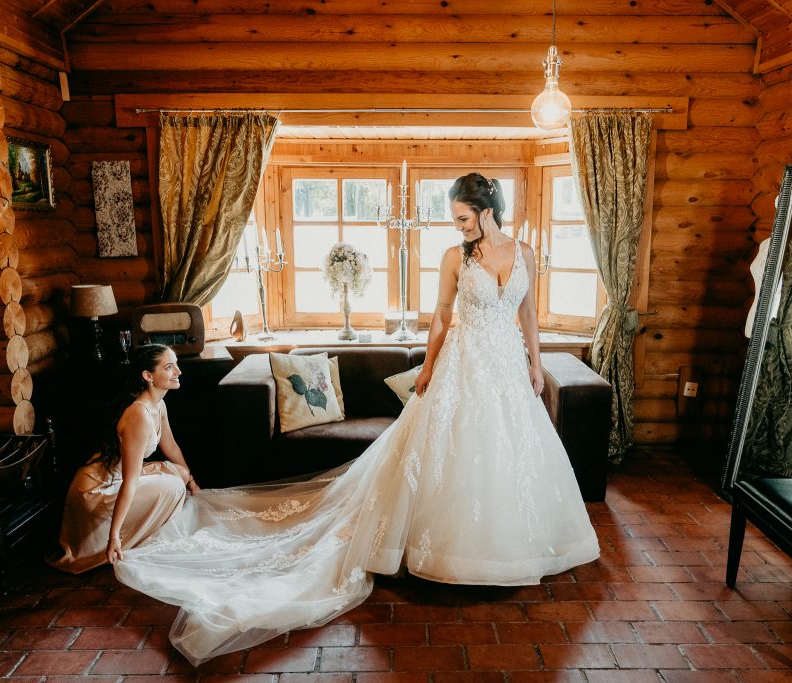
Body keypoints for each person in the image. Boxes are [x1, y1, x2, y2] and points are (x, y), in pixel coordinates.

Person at [114, 172, 600, 665]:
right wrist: (427, 367)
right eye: (456, 219)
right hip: (463, 367)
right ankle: (442, 551)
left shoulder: (524, 254)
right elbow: (441, 314)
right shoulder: (456, 257)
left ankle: (508, 548)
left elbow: (528, 313)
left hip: (507, 369)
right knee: (452, 456)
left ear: (486, 211)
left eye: (462, 218)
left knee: (507, 456)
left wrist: (535, 362)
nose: (458, 226)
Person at [49, 343, 200, 574]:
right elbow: (130, 482)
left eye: (176, 365)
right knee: (173, 486)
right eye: (169, 367)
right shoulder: (139, 414)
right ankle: (124, 537)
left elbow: (170, 446)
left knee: (181, 474)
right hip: (99, 488)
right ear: (148, 376)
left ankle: (156, 514)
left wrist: (192, 481)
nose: (178, 371)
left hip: (121, 476)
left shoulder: (159, 404)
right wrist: (113, 537)